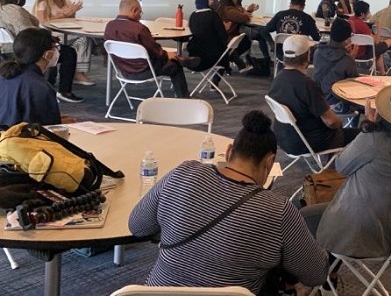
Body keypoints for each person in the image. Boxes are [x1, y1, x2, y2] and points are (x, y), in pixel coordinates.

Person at [128, 110, 329, 294]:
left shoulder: (183, 173)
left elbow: (137, 226)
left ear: (229, 151)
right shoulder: (278, 211)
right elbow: (316, 275)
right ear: (269, 162)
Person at [300, 74, 391, 261]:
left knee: (298, 217)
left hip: (362, 231)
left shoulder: (376, 139)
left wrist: (369, 128)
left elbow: (340, 166)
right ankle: (329, 271)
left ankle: (318, 272)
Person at [268, 35, 359, 155]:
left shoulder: (278, 79)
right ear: (308, 55)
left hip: (284, 139)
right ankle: (339, 164)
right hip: (308, 142)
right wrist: (340, 124)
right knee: (361, 135)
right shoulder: (307, 85)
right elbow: (331, 122)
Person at [0, 0, 83, 103]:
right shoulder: (14, 10)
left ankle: (49, 85)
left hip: (11, 48)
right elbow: (27, 32)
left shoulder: (3, 8)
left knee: (56, 48)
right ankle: (64, 91)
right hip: (26, 49)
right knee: (68, 53)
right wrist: (48, 38)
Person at [104, 0, 196, 98]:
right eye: (140, 12)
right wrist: (166, 55)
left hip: (123, 71)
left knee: (168, 57)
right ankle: (184, 98)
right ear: (134, 11)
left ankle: (182, 60)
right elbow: (154, 51)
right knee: (175, 66)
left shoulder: (109, 26)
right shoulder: (139, 29)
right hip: (143, 71)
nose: (140, 16)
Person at [32, 0, 94, 86]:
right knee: (85, 39)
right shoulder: (44, 2)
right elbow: (43, 21)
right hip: (52, 34)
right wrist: (64, 14)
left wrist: (72, 12)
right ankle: (77, 73)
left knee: (85, 39)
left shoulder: (67, 1)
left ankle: (79, 72)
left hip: (67, 31)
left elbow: (71, 19)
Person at [0, 28, 67, 127]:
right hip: (19, 135)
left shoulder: (4, 75)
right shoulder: (41, 87)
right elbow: (47, 129)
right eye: (55, 47)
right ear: (48, 54)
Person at [313, 17, 359, 113]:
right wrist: (352, 59)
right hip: (336, 104)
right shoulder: (347, 60)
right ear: (347, 40)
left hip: (317, 99)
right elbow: (354, 81)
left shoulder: (318, 51)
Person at [258, 0, 322, 62]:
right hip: (301, 54)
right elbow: (317, 38)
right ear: (303, 6)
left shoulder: (280, 15)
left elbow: (263, 31)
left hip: (281, 53)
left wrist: (272, 44)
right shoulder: (308, 19)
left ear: (290, 4)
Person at [187, 0, 229, 72]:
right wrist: (226, 28)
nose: (217, 1)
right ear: (205, 0)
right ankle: (218, 77)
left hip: (195, 52)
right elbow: (223, 37)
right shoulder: (213, 15)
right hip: (212, 56)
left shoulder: (193, 15)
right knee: (226, 48)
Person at [348, 0, 391, 75]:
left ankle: (383, 73)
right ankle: (383, 74)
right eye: (368, 11)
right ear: (362, 14)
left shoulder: (351, 20)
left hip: (352, 51)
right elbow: (376, 42)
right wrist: (379, 28)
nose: (369, 13)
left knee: (378, 52)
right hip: (363, 53)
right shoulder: (363, 26)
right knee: (390, 41)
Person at [216, 0, 253, 73]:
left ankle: (229, 59)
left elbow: (241, 11)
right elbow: (245, 17)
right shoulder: (229, 10)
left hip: (223, 36)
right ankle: (230, 59)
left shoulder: (222, 7)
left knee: (245, 40)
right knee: (245, 41)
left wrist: (243, 10)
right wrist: (245, 12)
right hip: (226, 37)